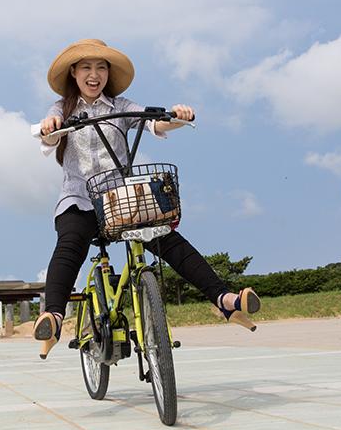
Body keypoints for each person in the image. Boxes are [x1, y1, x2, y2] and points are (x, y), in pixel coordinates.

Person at [32, 39, 259, 358]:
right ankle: (53, 318)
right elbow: (50, 133)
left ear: (108, 74)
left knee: (168, 239)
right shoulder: (61, 109)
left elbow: (152, 121)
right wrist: (51, 127)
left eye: (101, 68)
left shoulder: (121, 107)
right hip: (79, 199)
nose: (94, 74)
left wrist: (177, 117)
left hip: (119, 200)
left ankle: (224, 300)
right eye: (86, 67)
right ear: (73, 72)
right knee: (70, 245)